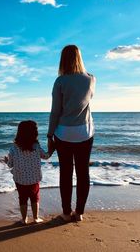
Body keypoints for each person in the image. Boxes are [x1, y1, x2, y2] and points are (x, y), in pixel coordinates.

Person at [47, 45, 96, 222]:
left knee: (65, 174)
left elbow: (55, 111)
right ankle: (79, 213)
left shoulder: (60, 81)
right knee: (83, 173)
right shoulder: (91, 79)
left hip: (64, 133)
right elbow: (88, 100)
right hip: (84, 131)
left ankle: (66, 213)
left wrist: (49, 135)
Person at [6, 120, 54, 224]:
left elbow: (10, 164)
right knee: (34, 197)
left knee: (22, 199)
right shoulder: (36, 147)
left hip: (20, 179)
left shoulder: (13, 148)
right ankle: (36, 218)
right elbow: (45, 156)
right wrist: (51, 150)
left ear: (19, 133)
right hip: (34, 178)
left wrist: (6, 161)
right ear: (34, 133)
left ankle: (24, 219)